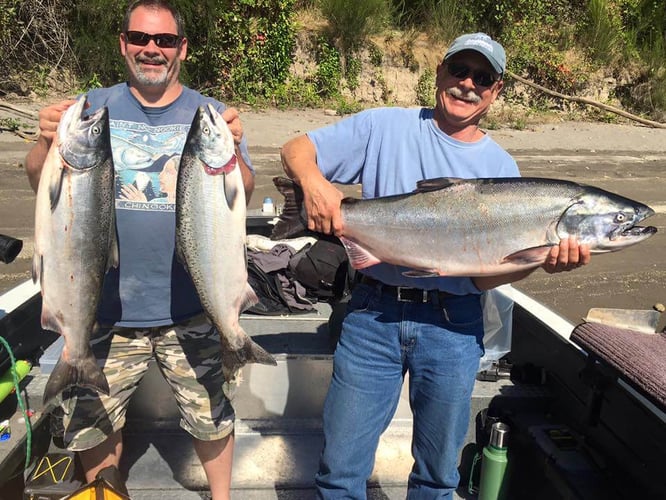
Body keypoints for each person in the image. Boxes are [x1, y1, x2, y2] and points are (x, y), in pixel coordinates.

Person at [280, 32, 591, 499]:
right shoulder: (383, 127)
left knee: (438, 475)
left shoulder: (503, 170)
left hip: (454, 326)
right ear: (440, 73)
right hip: (372, 316)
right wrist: (312, 184)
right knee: (339, 470)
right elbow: (295, 149)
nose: (468, 84)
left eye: (482, 78)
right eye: (459, 71)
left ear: (496, 91)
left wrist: (539, 262)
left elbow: (485, 274)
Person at [24, 1, 254, 498]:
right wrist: (46, 143)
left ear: (182, 49)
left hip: (192, 305)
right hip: (101, 307)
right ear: (124, 44)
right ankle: (105, 492)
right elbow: (42, 185)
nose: (152, 49)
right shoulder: (88, 109)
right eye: (140, 39)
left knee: (211, 416)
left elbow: (243, 194)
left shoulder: (211, 115)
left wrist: (234, 150)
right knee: (92, 421)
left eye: (165, 40)